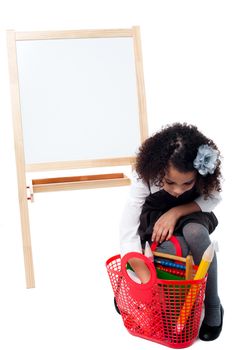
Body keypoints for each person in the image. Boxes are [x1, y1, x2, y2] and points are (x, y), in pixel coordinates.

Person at [120, 122, 223, 341]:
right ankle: (142, 292)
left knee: (196, 234)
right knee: (174, 248)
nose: (178, 191)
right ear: (159, 170)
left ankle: (213, 304)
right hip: (156, 219)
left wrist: (177, 211)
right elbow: (128, 227)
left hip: (192, 214)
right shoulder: (145, 177)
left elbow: (213, 198)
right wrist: (134, 268)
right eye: (169, 182)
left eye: (187, 184)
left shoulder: (202, 177)